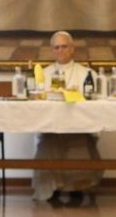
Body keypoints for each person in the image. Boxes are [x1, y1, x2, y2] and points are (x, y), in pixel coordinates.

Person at [33, 31, 99, 205]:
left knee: (79, 143)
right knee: (49, 142)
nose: (60, 50)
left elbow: (94, 100)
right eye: (57, 47)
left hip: (79, 129)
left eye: (64, 46)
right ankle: (52, 188)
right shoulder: (44, 74)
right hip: (51, 129)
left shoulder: (87, 73)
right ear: (52, 50)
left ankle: (78, 188)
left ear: (72, 49)